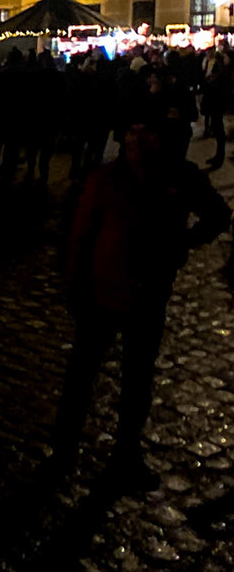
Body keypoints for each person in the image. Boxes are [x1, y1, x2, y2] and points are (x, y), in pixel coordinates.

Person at [50, 119, 231, 489]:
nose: (137, 142)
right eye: (132, 134)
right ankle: (64, 450)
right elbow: (78, 235)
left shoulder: (179, 176)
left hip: (148, 293)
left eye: (145, 134)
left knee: (136, 379)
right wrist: (73, 285)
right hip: (101, 293)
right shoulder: (105, 178)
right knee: (83, 374)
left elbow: (217, 215)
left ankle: (125, 453)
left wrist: (185, 241)